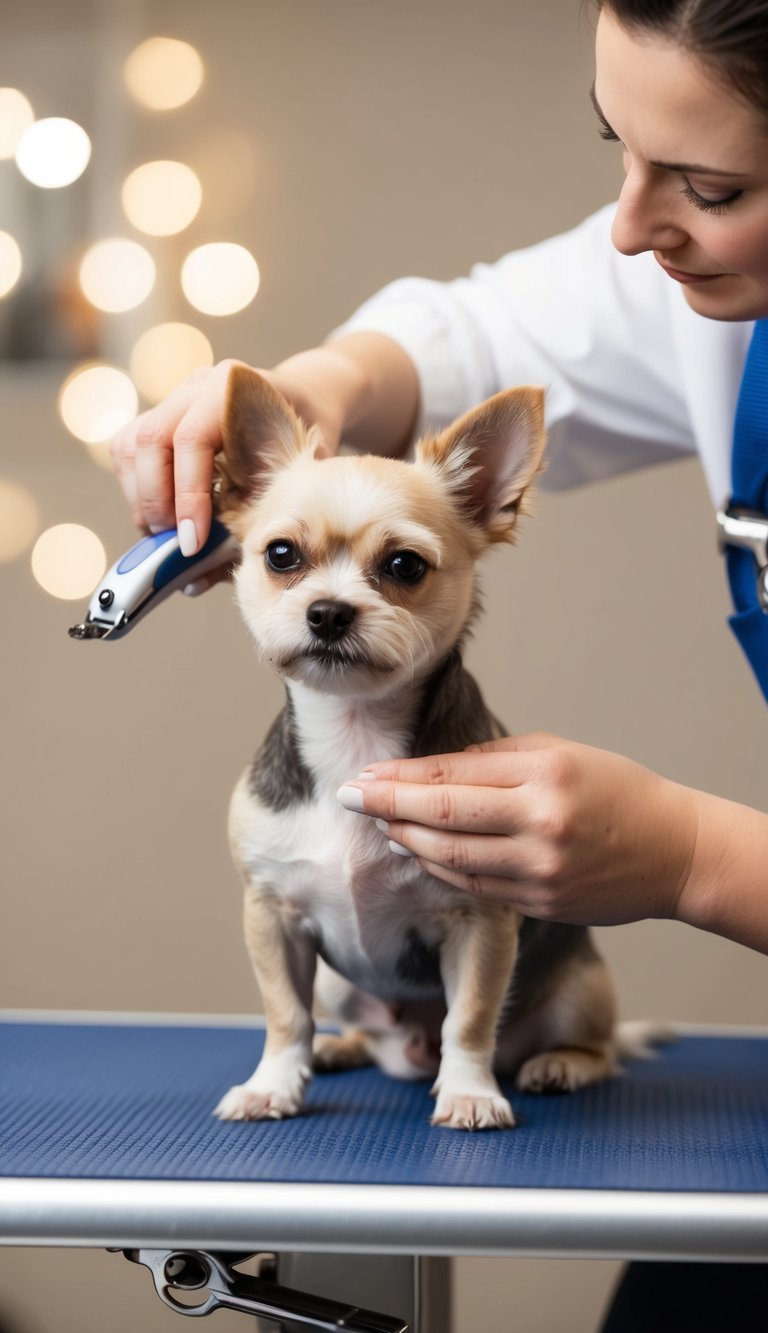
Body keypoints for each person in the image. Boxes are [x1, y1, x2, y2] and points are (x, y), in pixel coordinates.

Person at [111, 2, 768, 1325]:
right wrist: (312, 392)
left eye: (711, 185)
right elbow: (473, 341)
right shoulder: (703, 286)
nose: (633, 228)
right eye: (617, 149)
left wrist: (697, 857)